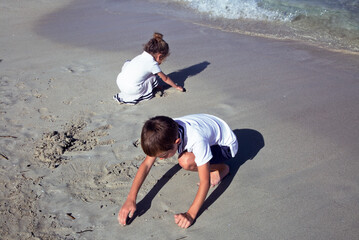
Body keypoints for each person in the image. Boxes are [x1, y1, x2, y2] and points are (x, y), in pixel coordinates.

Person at [118, 114, 238, 229]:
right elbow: (146, 165)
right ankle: (216, 167)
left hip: (225, 146)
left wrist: (190, 215)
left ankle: (222, 169)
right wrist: (131, 199)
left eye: (164, 155)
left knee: (185, 161)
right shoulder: (166, 128)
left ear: (177, 142)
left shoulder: (197, 140)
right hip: (211, 130)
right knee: (185, 158)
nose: (160, 159)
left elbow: (204, 182)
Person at [114, 32, 184, 105]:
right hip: (132, 90)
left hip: (120, 82)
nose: (162, 62)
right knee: (154, 76)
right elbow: (165, 78)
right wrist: (176, 86)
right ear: (159, 56)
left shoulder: (140, 57)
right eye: (163, 59)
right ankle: (152, 88)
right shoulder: (152, 64)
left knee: (128, 62)